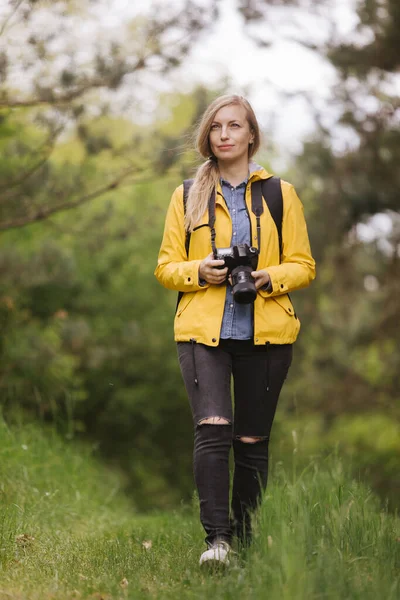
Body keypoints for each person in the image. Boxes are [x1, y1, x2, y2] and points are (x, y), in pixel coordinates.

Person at [155, 94, 315, 569]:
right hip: (203, 331)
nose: (224, 134)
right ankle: (218, 544)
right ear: (207, 136)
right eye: (216, 127)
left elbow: (304, 265)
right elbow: (165, 268)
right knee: (212, 430)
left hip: (265, 333)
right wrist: (199, 272)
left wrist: (269, 277)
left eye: (234, 126)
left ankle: (243, 543)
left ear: (251, 135)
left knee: (250, 442)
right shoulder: (187, 195)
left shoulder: (280, 195)